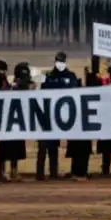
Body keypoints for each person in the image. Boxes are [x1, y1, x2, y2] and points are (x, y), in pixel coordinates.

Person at [37, 51, 77, 181]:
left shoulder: (70, 76)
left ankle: (53, 172)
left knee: (54, 146)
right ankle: (40, 173)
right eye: (58, 60)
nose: (60, 63)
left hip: (60, 117)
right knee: (43, 147)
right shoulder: (49, 76)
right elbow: (43, 91)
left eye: (62, 60)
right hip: (46, 114)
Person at [0, 61, 25, 182]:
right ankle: (1, 172)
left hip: (13, 119)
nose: (1, 71)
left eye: (3, 69)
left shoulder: (11, 83)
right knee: (2, 148)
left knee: (15, 145)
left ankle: (14, 171)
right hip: (1, 119)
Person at [64, 63, 92, 180]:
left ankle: (80, 172)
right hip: (79, 130)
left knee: (80, 151)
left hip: (80, 130)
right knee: (79, 151)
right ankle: (79, 172)